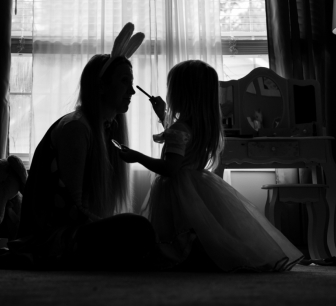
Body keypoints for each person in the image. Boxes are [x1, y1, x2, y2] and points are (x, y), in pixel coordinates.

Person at [118, 59, 304, 272]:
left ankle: (184, 259)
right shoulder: (200, 126)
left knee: (180, 231)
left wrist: (136, 156)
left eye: (172, 89)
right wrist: (163, 115)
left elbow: (170, 168)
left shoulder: (179, 129)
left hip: (178, 190)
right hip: (197, 185)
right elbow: (181, 139)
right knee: (201, 230)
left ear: (181, 94)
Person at [10, 24, 156, 270]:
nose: (132, 91)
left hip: (75, 234)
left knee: (143, 231)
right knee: (138, 229)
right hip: (54, 239)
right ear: (101, 86)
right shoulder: (76, 129)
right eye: (124, 82)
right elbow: (72, 208)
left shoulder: (103, 130)